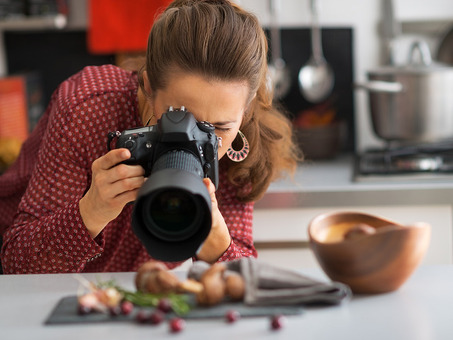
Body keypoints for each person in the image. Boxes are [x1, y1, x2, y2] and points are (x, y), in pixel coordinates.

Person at [0, 0, 300, 274]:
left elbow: (242, 286)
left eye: (218, 127)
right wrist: (89, 212)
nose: (192, 139)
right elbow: (18, 266)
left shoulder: (236, 150)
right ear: (147, 87)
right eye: (177, 116)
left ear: (245, 114)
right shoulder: (89, 108)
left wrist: (219, 247)